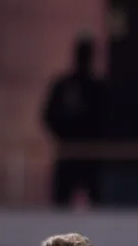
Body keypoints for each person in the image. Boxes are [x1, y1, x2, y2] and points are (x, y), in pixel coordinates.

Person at [42, 36, 106, 206]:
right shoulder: (64, 86)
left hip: (92, 155)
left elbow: (107, 118)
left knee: (97, 203)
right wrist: (64, 135)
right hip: (68, 153)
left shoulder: (97, 88)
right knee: (61, 204)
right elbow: (49, 116)